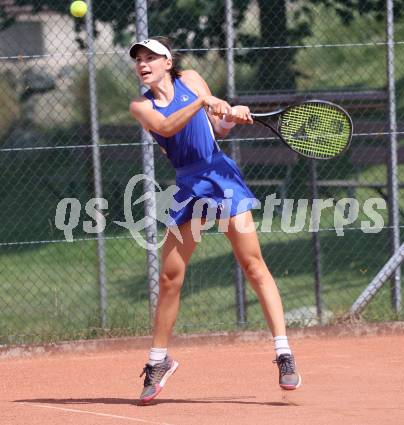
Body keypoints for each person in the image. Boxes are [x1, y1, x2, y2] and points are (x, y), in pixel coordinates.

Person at [128, 36, 301, 404]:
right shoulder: (140, 107)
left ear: (167, 61)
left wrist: (231, 116)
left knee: (253, 265)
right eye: (138, 59)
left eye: (150, 57)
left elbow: (216, 129)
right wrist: (206, 103)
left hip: (220, 177)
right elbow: (169, 126)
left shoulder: (190, 79)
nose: (143, 63)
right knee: (169, 278)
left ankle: (284, 354)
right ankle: (159, 362)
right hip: (189, 184)